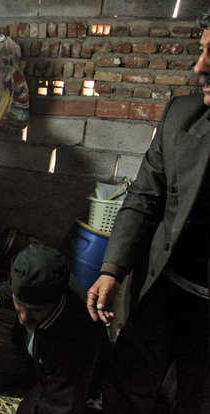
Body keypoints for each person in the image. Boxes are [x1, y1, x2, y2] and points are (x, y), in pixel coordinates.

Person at [86, 8, 210, 414]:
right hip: (163, 286)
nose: (199, 67)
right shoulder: (182, 116)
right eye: (202, 51)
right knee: (126, 388)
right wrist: (111, 269)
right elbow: (143, 198)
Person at [0, 244, 105, 414]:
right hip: (33, 349)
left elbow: (60, 406)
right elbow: (18, 286)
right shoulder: (35, 280)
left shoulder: (73, 335)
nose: (24, 317)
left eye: (36, 310)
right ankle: (40, 378)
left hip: (65, 367)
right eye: (20, 305)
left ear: (56, 300)